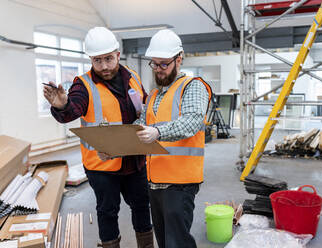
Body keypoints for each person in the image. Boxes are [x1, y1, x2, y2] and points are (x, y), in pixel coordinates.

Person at [43, 27, 153, 248]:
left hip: (135, 160)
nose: (104, 66)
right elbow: (73, 108)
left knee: (142, 206)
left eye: (109, 59)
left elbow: (145, 105)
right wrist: (63, 106)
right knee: (107, 211)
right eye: (97, 60)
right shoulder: (83, 85)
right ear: (91, 59)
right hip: (102, 166)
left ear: (118, 55)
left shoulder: (133, 77)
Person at [135, 29, 212, 248]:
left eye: (164, 64)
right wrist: (114, 144)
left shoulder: (193, 86)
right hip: (155, 180)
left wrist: (157, 132)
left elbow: (193, 122)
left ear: (179, 59)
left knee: (177, 242)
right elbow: (141, 126)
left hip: (180, 182)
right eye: (154, 64)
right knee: (164, 241)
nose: (158, 70)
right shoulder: (153, 95)